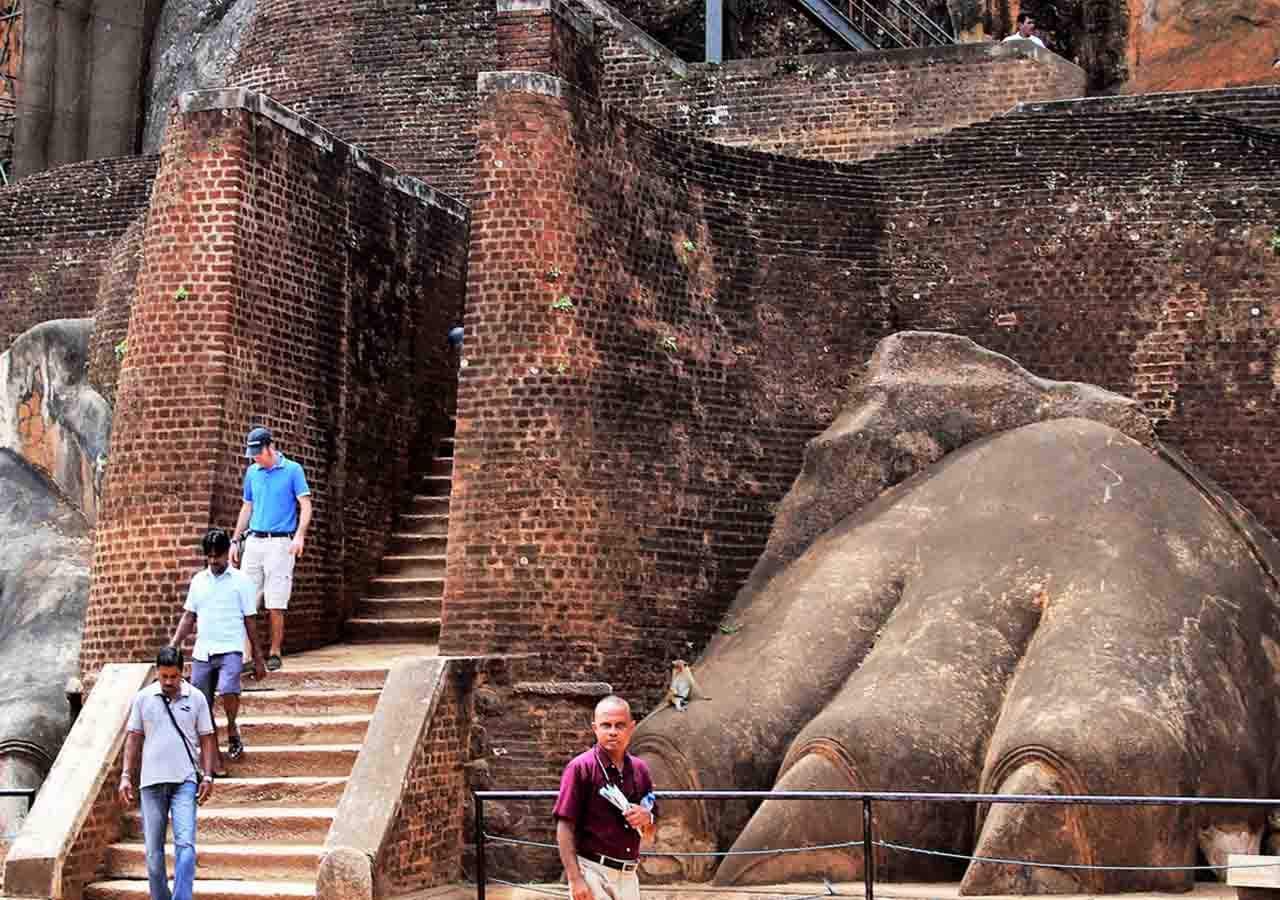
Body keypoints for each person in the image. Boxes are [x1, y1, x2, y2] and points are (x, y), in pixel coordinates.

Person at [118, 646, 216, 900]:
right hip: (151, 783)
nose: (168, 682)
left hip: (184, 781)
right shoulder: (144, 698)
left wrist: (207, 774)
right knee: (153, 854)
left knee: (185, 846)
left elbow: (207, 737)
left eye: (173, 676)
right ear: (157, 673)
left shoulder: (196, 698)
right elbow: (133, 738)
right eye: (164, 677)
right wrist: (126, 776)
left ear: (182, 673)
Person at [170, 527, 267, 773]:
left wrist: (258, 657)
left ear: (227, 553)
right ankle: (214, 760)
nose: (214, 561)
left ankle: (233, 727)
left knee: (228, 689)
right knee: (201, 704)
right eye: (210, 556)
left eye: (218, 556)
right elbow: (189, 616)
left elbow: (250, 620)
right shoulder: (199, 581)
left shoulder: (241, 581)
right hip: (204, 651)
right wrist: (173, 645)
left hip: (231, 648)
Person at [553, 696, 657, 900]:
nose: (612, 731)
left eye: (620, 725)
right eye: (606, 725)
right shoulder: (580, 768)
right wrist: (575, 880)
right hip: (592, 872)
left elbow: (651, 829)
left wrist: (647, 818)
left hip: (629, 875)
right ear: (595, 728)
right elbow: (564, 827)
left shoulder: (640, 769)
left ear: (631, 727)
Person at [229, 426, 312, 672]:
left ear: (270, 447)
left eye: (258, 453)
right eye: (252, 454)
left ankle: (274, 652)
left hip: (280, 542)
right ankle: (246, 656)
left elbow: (305, 505)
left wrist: (300, 535)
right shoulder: (252, 473)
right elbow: (247, 507)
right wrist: (235, 540)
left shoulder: (292, 470)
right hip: (255, 541)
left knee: (276, 601)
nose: (256, 458)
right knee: (245, 599)